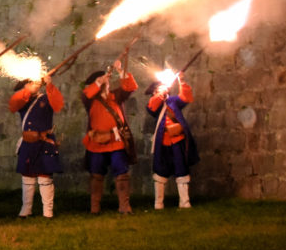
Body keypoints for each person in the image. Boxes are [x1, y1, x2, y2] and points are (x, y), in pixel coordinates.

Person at [80, 60, 137, 214]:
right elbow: (86, 94)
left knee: (122, 173)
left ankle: (124, 207)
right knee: (96, 174)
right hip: (96, 141)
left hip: (116, 141)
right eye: (104, 81)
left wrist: (120, 71)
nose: (108, 82)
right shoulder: (90, 99)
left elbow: (130, 87)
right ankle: (94, 208)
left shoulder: (116, 96)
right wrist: (99, 82)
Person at [7, 73, 63, 218]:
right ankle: (26, 209)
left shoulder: (46, 96)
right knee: (27, 176)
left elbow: (58, 104)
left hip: (44, 140)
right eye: (30, 83)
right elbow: (13, 105)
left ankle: (48, 211)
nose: (35, 84)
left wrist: (49, 84)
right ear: (25, 85)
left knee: (45, 177)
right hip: (28, 142)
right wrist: (29, 90)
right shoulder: (22, 98)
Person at [146, 72, 198, 209]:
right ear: (155, 92)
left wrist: (181, 80)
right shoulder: (154, 102)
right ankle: (158, 203)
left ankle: (185, 202)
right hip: (162, 144)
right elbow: (152, 107)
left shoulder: (173, 101)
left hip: (178, 141)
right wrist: (160, 94)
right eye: (160, 88)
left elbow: (186, 97)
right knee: (160, 172)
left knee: (182, 170)